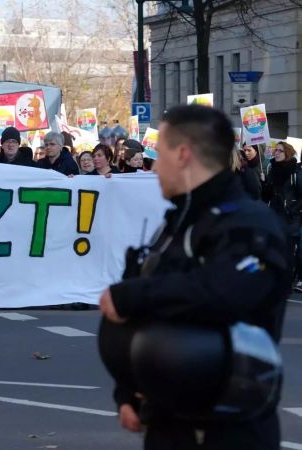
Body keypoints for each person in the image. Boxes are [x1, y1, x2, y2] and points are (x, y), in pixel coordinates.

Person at [99, 105, 290, 450]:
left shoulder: (249, 224)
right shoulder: (180, 221)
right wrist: (128, 391)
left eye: (161, 154)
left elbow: (225, 291)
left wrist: (135, 295)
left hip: (227, 427)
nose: (154, 167)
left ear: (184, 154)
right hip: (169, 420)